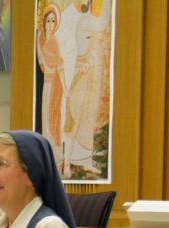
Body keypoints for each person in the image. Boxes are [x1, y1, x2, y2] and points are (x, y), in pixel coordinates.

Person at [63, 0, 112, 176]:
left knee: (87, 119)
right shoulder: (84, 21)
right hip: (80, 77)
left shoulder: (89, 21)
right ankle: (67, 163)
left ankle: (84, 161)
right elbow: (77, 52)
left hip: (90, 77)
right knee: (74, 119)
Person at [36, 3, 66, 170]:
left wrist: (65, 88)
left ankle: (57, 158)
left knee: (53, 120)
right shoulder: (41, 38)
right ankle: (48, 160)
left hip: (55, 85)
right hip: (46, 85)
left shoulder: (53, 42)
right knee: (45, 121)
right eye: (48, 20)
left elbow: (59, 67)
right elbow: (41, 62)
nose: (50, 24)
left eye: (53, 21)